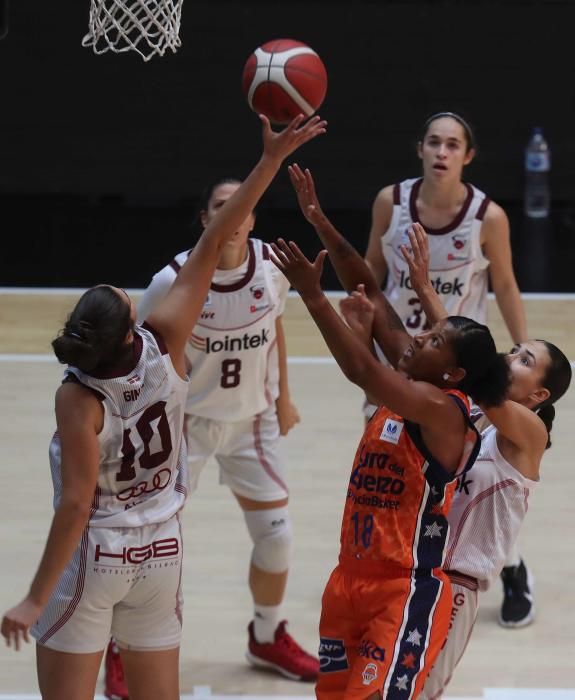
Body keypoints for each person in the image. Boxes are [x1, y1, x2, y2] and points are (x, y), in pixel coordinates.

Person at [0, 113, 326, 700]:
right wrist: (270, 160)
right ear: (130, 330)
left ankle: (266, 631)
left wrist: (33, 596)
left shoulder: (76, 396)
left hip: (100, 552)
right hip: (161, 550)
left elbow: (75, 503)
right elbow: (216, 237)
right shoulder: (166, 344)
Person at [269, 166, 510, 699]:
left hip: (402, 590)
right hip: (348, 579)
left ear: (452, 373)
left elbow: (362, 370)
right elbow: (369, 289)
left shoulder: (443, 408)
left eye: (433, 340)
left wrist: (312, 297)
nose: (418, 337)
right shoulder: (412, 378)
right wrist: (320, 221)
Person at [104, 176, 317, 697]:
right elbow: (143, 360)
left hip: (253, 423)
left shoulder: (273, 266)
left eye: (242, 205)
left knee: (277, 536)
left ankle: (266, 635)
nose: (234, 213)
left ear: (252, 217)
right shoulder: (171, 280)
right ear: (206, 219)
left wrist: (284, 396)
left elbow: (276, 327)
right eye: (223, 205)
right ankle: (120, 647)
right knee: (149, 544)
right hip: (185, 427)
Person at [363, 112, 531, 628]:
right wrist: (361, 340)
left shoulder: (489, 216)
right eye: (434, 142)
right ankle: (396, 573)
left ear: (468, 155)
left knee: (469, 482)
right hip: (402, 360)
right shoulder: (391, 202)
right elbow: (371, 272)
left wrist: (519, 353)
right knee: (391, 473)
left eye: (452, 144)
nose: (442, 151)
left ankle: (513, 567)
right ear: (420, 149)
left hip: (458, 371)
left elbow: (503, 284)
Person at [396, 224, 572, 698]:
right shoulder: (477, 407)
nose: (509, 356)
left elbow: (474, 368)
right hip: (411, 566)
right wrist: (425, 289)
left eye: (522, 358)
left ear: (538, 393)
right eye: (514, 350)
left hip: (455, 585)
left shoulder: (531, 435)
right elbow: (463, 354)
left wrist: (431, 295)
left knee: (420, 692)